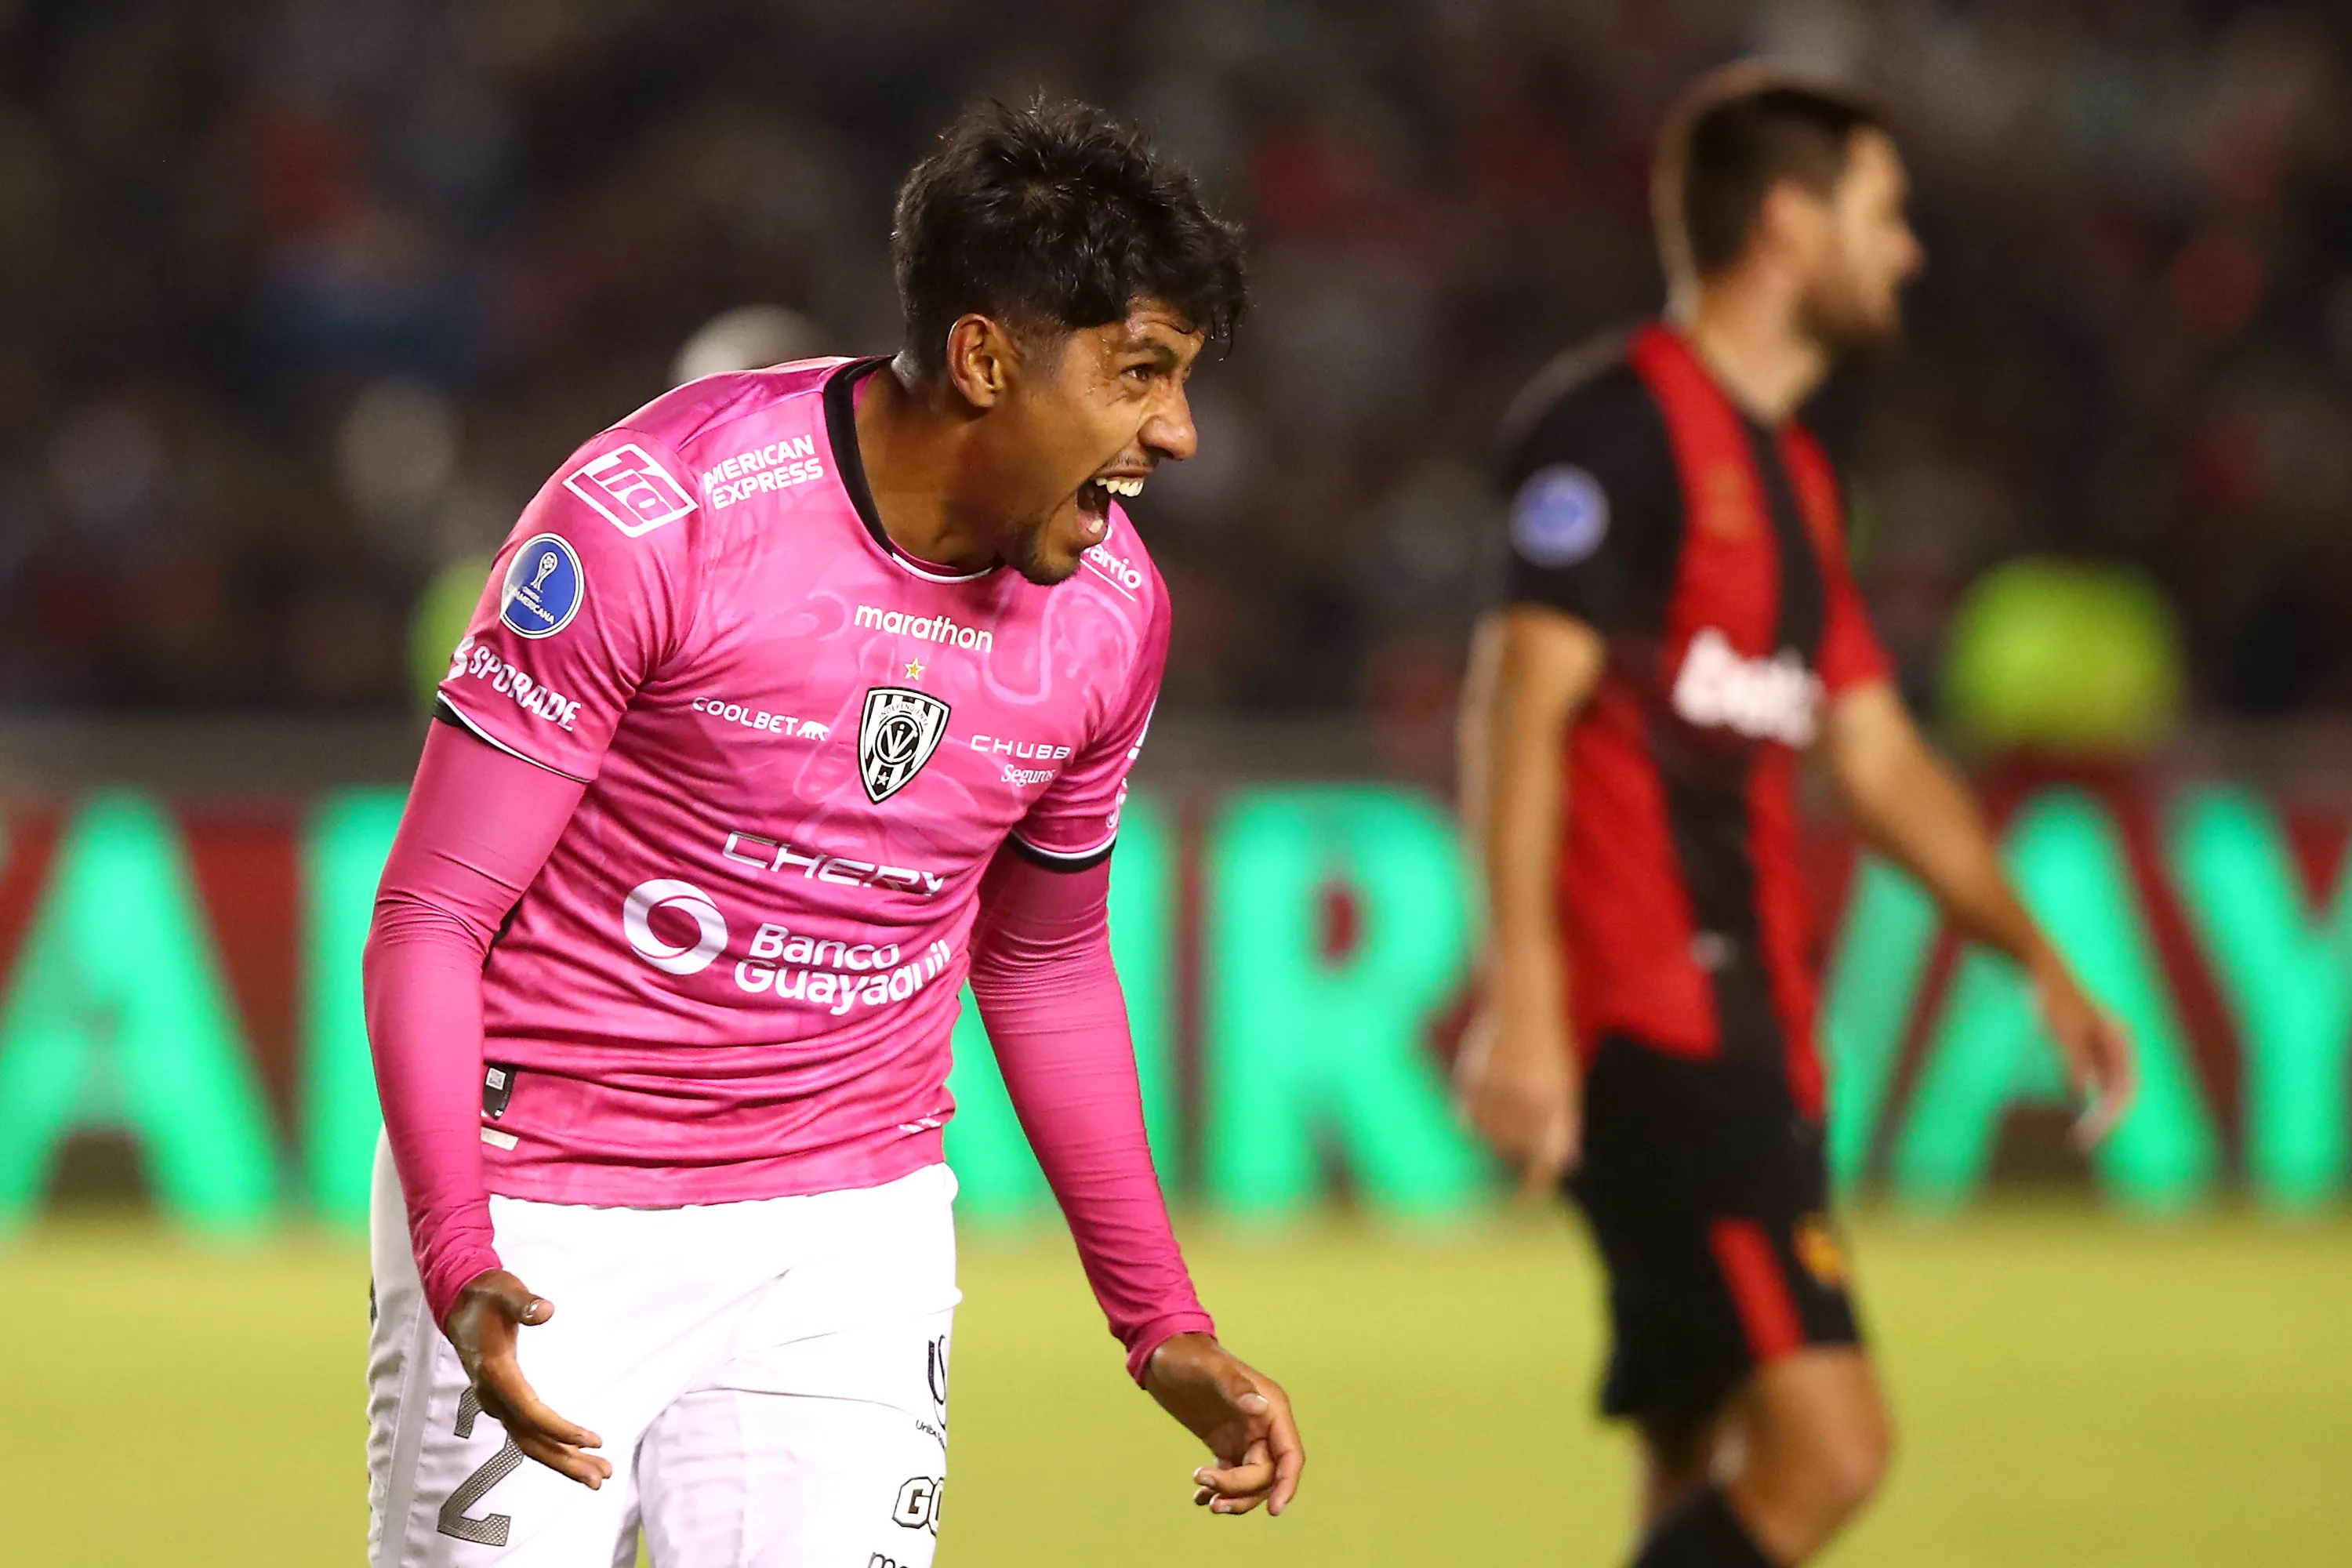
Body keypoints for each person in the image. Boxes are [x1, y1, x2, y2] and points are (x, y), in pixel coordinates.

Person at [363, 98, 1302, 1567]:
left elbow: (1044, 967)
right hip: (549, 1217)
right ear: (987, 357)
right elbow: (433, 914)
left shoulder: (1114, 614)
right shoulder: (654, 522)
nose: (1173, 433)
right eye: (1139, 375)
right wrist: (458, 1246)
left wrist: (1160, 1322)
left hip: (845, 1234)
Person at [1454, 64, 2135, 1568]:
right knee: (1834, 1449)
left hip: (1754, 1020)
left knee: (1695, 1441)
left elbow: (1879, 760)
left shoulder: (1803, 483)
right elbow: (1521, 704)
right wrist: (1529, 995)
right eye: (1883, 214)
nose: (1908, 252)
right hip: (1656, 1021)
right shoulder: (1613, 430)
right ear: (1786, 222)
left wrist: (2038, 956)